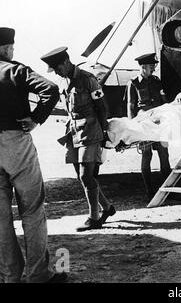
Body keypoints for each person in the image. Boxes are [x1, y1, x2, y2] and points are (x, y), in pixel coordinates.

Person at [0, 27, 67, 283]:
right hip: (16, 144)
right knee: (32, 210)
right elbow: (50, 89)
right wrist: (36, 119)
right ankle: (38, 275)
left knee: (1, 217)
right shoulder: (15, 69)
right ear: (7, 48)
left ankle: (9, 276)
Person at [41, 47, 115, 232]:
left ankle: (94, 218)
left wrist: (103, 132)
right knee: (81, 176)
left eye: (57, 68)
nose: (56, 72)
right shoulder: (64, 81)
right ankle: (107, 208)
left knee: (86, 175)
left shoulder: (87, 79)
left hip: (90, 131)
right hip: (73, 132)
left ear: (66, 62)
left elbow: (102, 107)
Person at [126, 53, 171, 200]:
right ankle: (149, 191)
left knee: (164, 155)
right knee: (147, 154)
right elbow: (131, 105)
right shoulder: (133, 83)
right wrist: (132, 125)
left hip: (159, 122)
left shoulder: (157, 81)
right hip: (144, 123)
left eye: (154, 66)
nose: (153, 69)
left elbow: (164, 101)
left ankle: (168, 190)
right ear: (143, 67)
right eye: (151, 67)